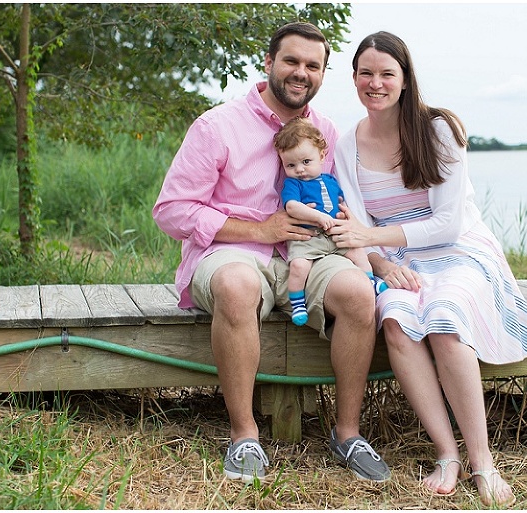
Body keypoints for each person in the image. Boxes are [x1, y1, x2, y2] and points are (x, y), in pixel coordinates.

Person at [152, 22, 390, 484]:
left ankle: (348, 434)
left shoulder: (325, 132)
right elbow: (171, 211)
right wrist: (261, 229)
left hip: (312, 254)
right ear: (268, 64)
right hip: (233, 252)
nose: (301, 72)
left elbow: (344, 206)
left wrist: (373, 255)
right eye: (292, 61)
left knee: (360, 293)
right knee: (237, 285)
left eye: (312, 65)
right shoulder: (217, 126)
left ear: (322, 74)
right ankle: (245, 438)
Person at [329, 31, 527, 506]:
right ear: (354, 79)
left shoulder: (438, 129)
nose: (376, 83)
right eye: (366, 73)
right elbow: (356, 227)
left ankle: (484, 462)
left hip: (460, 248)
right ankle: (448, 454)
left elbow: (447, 224)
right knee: (397, 321)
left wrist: (372, 240)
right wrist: (380, 264)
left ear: (405, 80)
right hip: (393, 258)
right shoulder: (347, 144)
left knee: (444, 319)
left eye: (387, 73)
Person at [274, 116, 388, 326]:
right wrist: (318, 217)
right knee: (299, 266)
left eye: (306, 162)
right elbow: (291, 206)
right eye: (291, 164)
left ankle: (370, 282)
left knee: (358, 254)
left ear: (321, 155)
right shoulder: (293, 184)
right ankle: (298, 302)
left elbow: (342, 200)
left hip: (334, 235)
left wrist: (345, 213)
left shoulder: (330, 180)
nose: (299, 169)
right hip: (308, 238)